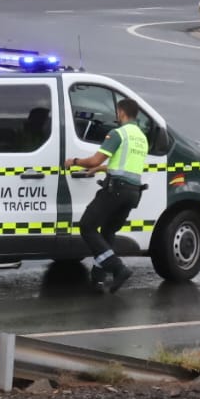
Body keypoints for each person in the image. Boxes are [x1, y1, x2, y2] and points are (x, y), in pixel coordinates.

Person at [64, 96, 148, 292]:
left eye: (117, 112)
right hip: (133, 194)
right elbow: (124, 163)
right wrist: (102, 169)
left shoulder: (118, 133)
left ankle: (118, 269)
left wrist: (74, 161)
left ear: (121, 112)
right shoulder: (141, 137)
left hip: (115, 190)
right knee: (108, 232)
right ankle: (98, 278)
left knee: (87, 226)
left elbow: (94, 159)